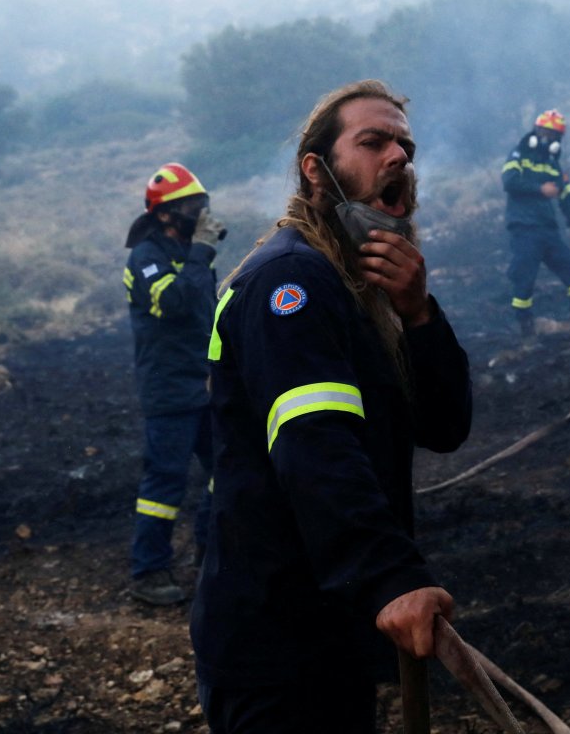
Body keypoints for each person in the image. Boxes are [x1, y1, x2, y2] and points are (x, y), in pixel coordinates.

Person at [191, 79, 473, 733]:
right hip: (276, 642)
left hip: (328, 629)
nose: (398, 156)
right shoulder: (291, 281)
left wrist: (419, 315)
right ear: (316, 171)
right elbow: (315, 446)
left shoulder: (359, 288)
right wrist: (391, 580)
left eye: (405, 145)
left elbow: (445, 426)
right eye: (373, 142)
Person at [123, 162, 226, 605]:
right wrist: (202, 253)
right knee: (164, 484)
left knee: (228, 468)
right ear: (165, 213)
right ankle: (148, 574)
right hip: (168, 390)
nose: (200, 214)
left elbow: (208, 314)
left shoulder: (191, 252)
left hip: (205, 385)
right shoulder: (145, 257)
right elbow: (175, 304)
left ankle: (211, 555)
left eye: (202, 205)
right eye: (190, 206)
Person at [501, 108, 570, 338]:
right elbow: (510, 182)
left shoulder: (554, 166)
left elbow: (567, 197)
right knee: (524, 281)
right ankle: (525, 327)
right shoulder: (519, 156)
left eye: (554, 135)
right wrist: (539, 189)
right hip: (524, 229)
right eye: (545, 131)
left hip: (548, 231)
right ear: (535, 130)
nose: (548, 138)